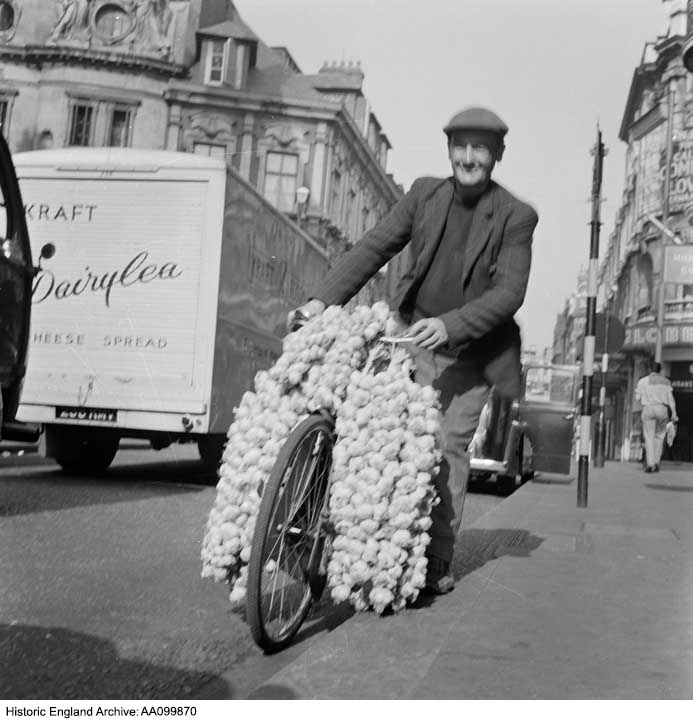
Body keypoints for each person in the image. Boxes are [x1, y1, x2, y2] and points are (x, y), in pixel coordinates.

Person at [290, 106, 538, 594]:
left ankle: (436, 559)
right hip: (408, 336)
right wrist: (321, 301)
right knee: (362, 430)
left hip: (471, 355)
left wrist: (449, 326)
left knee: (443, 446)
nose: (468, 158)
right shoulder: (425, 194)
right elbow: (374, 246)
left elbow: (509, 293)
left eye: (480, 149)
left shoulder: (516, 217)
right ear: (449, 150)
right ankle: (327, 534)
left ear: (497, 156)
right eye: (460, 147)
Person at [635, 361, 678, 473]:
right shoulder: (666, 382)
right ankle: (657, 462)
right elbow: (671, 399)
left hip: (648, 409)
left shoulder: (643, 381)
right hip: (662, 409)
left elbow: (638, 398)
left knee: (649, 437)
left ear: (650, 370)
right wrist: (674, 412)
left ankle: (650, 464)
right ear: (660, 370)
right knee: (659, 437)